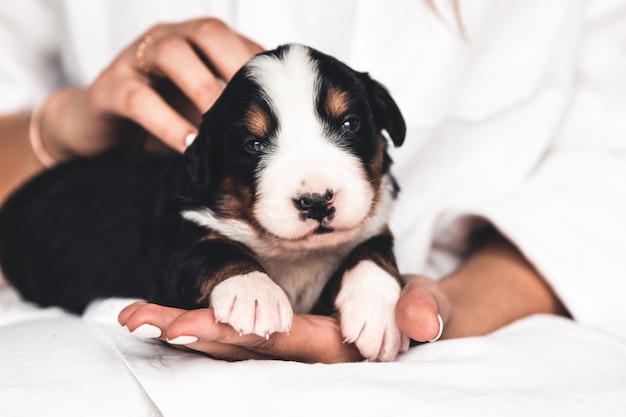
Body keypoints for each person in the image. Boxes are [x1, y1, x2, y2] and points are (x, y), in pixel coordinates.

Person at [1, 1, 624, 364]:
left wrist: (424, 294)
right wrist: (54, 128)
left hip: (495, 356)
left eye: (347, 125)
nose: (315, 187)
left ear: (384, 125)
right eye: (252, 143)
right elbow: (186, 249)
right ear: (206, 165)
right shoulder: (191, 207)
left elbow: (604, 162)